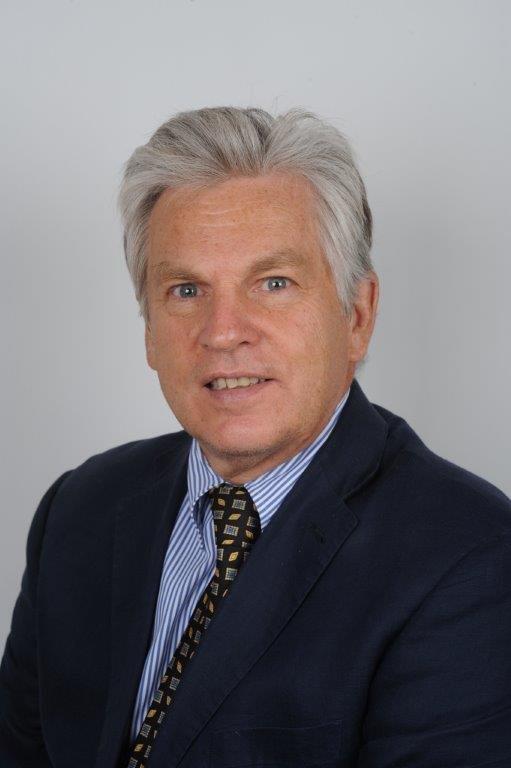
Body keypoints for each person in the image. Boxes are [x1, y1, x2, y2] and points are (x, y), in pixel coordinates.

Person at [1, 106, 510, 768]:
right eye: (186, 289)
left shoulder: (467, 555)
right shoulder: (80, 509)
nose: (222, 332)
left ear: (356, 316)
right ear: (149, 330)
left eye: (273, 283)